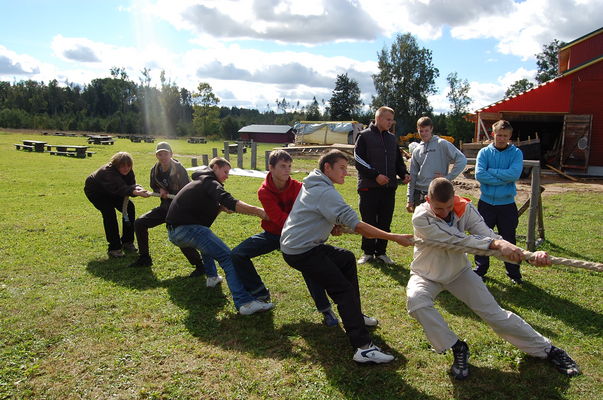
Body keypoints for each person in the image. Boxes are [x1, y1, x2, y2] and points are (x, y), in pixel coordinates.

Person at [407, 177, 580, 379]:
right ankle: (457, 347)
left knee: (496, 316)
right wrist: (497, 245)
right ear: (428, 199)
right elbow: (458, 240)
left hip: (458, 272)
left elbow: (487, 235)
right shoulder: (421, 216)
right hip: (425, 274)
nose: (444, 213)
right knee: (416, 301)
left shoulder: (465, 208)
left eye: (448, 207)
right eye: (439, 209)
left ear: (454, 198)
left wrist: (526, 255)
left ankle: (549, 350)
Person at [281, 150, 414, 364]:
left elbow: (313, 212)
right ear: (327, 168)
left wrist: (331, 224)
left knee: (346, 258)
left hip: (298, 245)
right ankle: (363, 348)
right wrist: (393, 237)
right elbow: (359, 226)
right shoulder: (325, 192)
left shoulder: (314, 183)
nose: (347, 172)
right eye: (342, 168)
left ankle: (354, 314)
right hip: (301, 251)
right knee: (342, 289)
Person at [231, 150, 340, 326]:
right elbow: (279, 219)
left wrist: (333, 224)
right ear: (271, 167)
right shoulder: (264, 191)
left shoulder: (299, 187)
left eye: (289, 166)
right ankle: (260, 292)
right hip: (274, 234)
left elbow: (316, 210)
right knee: (237, 254)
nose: (287, 170)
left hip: (296, 238)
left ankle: (326, 310)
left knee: (310, 268)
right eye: (283, 166)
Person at [165, 157, 274, 315]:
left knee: (206, 242)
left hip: (175, 231)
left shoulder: (200, 182)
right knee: (228, 258)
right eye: (225, 171)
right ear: (215, 167)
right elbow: (227, 199)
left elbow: (204, 216)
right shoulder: (209, 181)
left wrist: (220, 208)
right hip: (185, 228)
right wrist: (259, 212)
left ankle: (212, 277)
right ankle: (245, 303)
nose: (227, 176)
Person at [129, 142, 220, 285]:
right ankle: (145, 258)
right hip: (165, 207)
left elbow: (188, 190)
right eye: (160, 154)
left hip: (181, 210)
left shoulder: (179, 169)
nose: (163, 156)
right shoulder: (155, 169)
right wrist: (160, 191)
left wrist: (172, 194)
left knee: (180, 234)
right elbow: (155, 185)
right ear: (156, 155)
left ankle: (199, 265)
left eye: (166, 153)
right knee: (140, 222)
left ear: (171, 154)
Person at [354, 106, 410, 265]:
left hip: (388, 188)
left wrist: (403, 174)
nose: (390, 123)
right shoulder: (364, 136)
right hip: (368, 187)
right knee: (369, 220)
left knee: (385, 221)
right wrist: (375, 176)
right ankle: (367, 253)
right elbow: (358, 160)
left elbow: (397, 161)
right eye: (388, 119)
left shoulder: (392, 139)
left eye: (392, 120)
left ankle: (381, 253)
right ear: (378, 118)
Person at [474, 120, 524, 284]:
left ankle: (514, 274)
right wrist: (503, 177)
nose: (502, 138)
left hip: (506, 204)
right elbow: (480, 175)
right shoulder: (484, 153)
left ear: (510, 136)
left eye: (505, 136)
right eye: (499, 135)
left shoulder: (516, 153)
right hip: (486, 203)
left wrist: (492, 172)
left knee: (509, 239)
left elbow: (514, 174)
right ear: (493, 134)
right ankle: (480, 270)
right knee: (482, 238)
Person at [84, 152, 150, 258]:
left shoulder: (128, 171)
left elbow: (130, 185)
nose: (126, 168)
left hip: (113, 191)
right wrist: (134, 191)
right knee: (109, 212)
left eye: (128, 165)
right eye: (122, 165)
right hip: (97, 192)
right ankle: (114, 248)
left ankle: (127, 242)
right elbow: (121, 188)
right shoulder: (107, 172)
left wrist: (137, 188)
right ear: (116, 165)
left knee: (129, 207)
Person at [406, 116, 466, 213]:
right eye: (421, 131)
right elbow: (412, 175)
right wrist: (410, 199)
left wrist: (448, 177)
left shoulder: (442, 144)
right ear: (418, 130)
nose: (424, 134)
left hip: (437, 192)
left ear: (431, 129)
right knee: (420, 225)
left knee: (439, 224)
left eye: (426, 130)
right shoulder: (416, 150)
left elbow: (462, 159)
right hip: (419, 193)